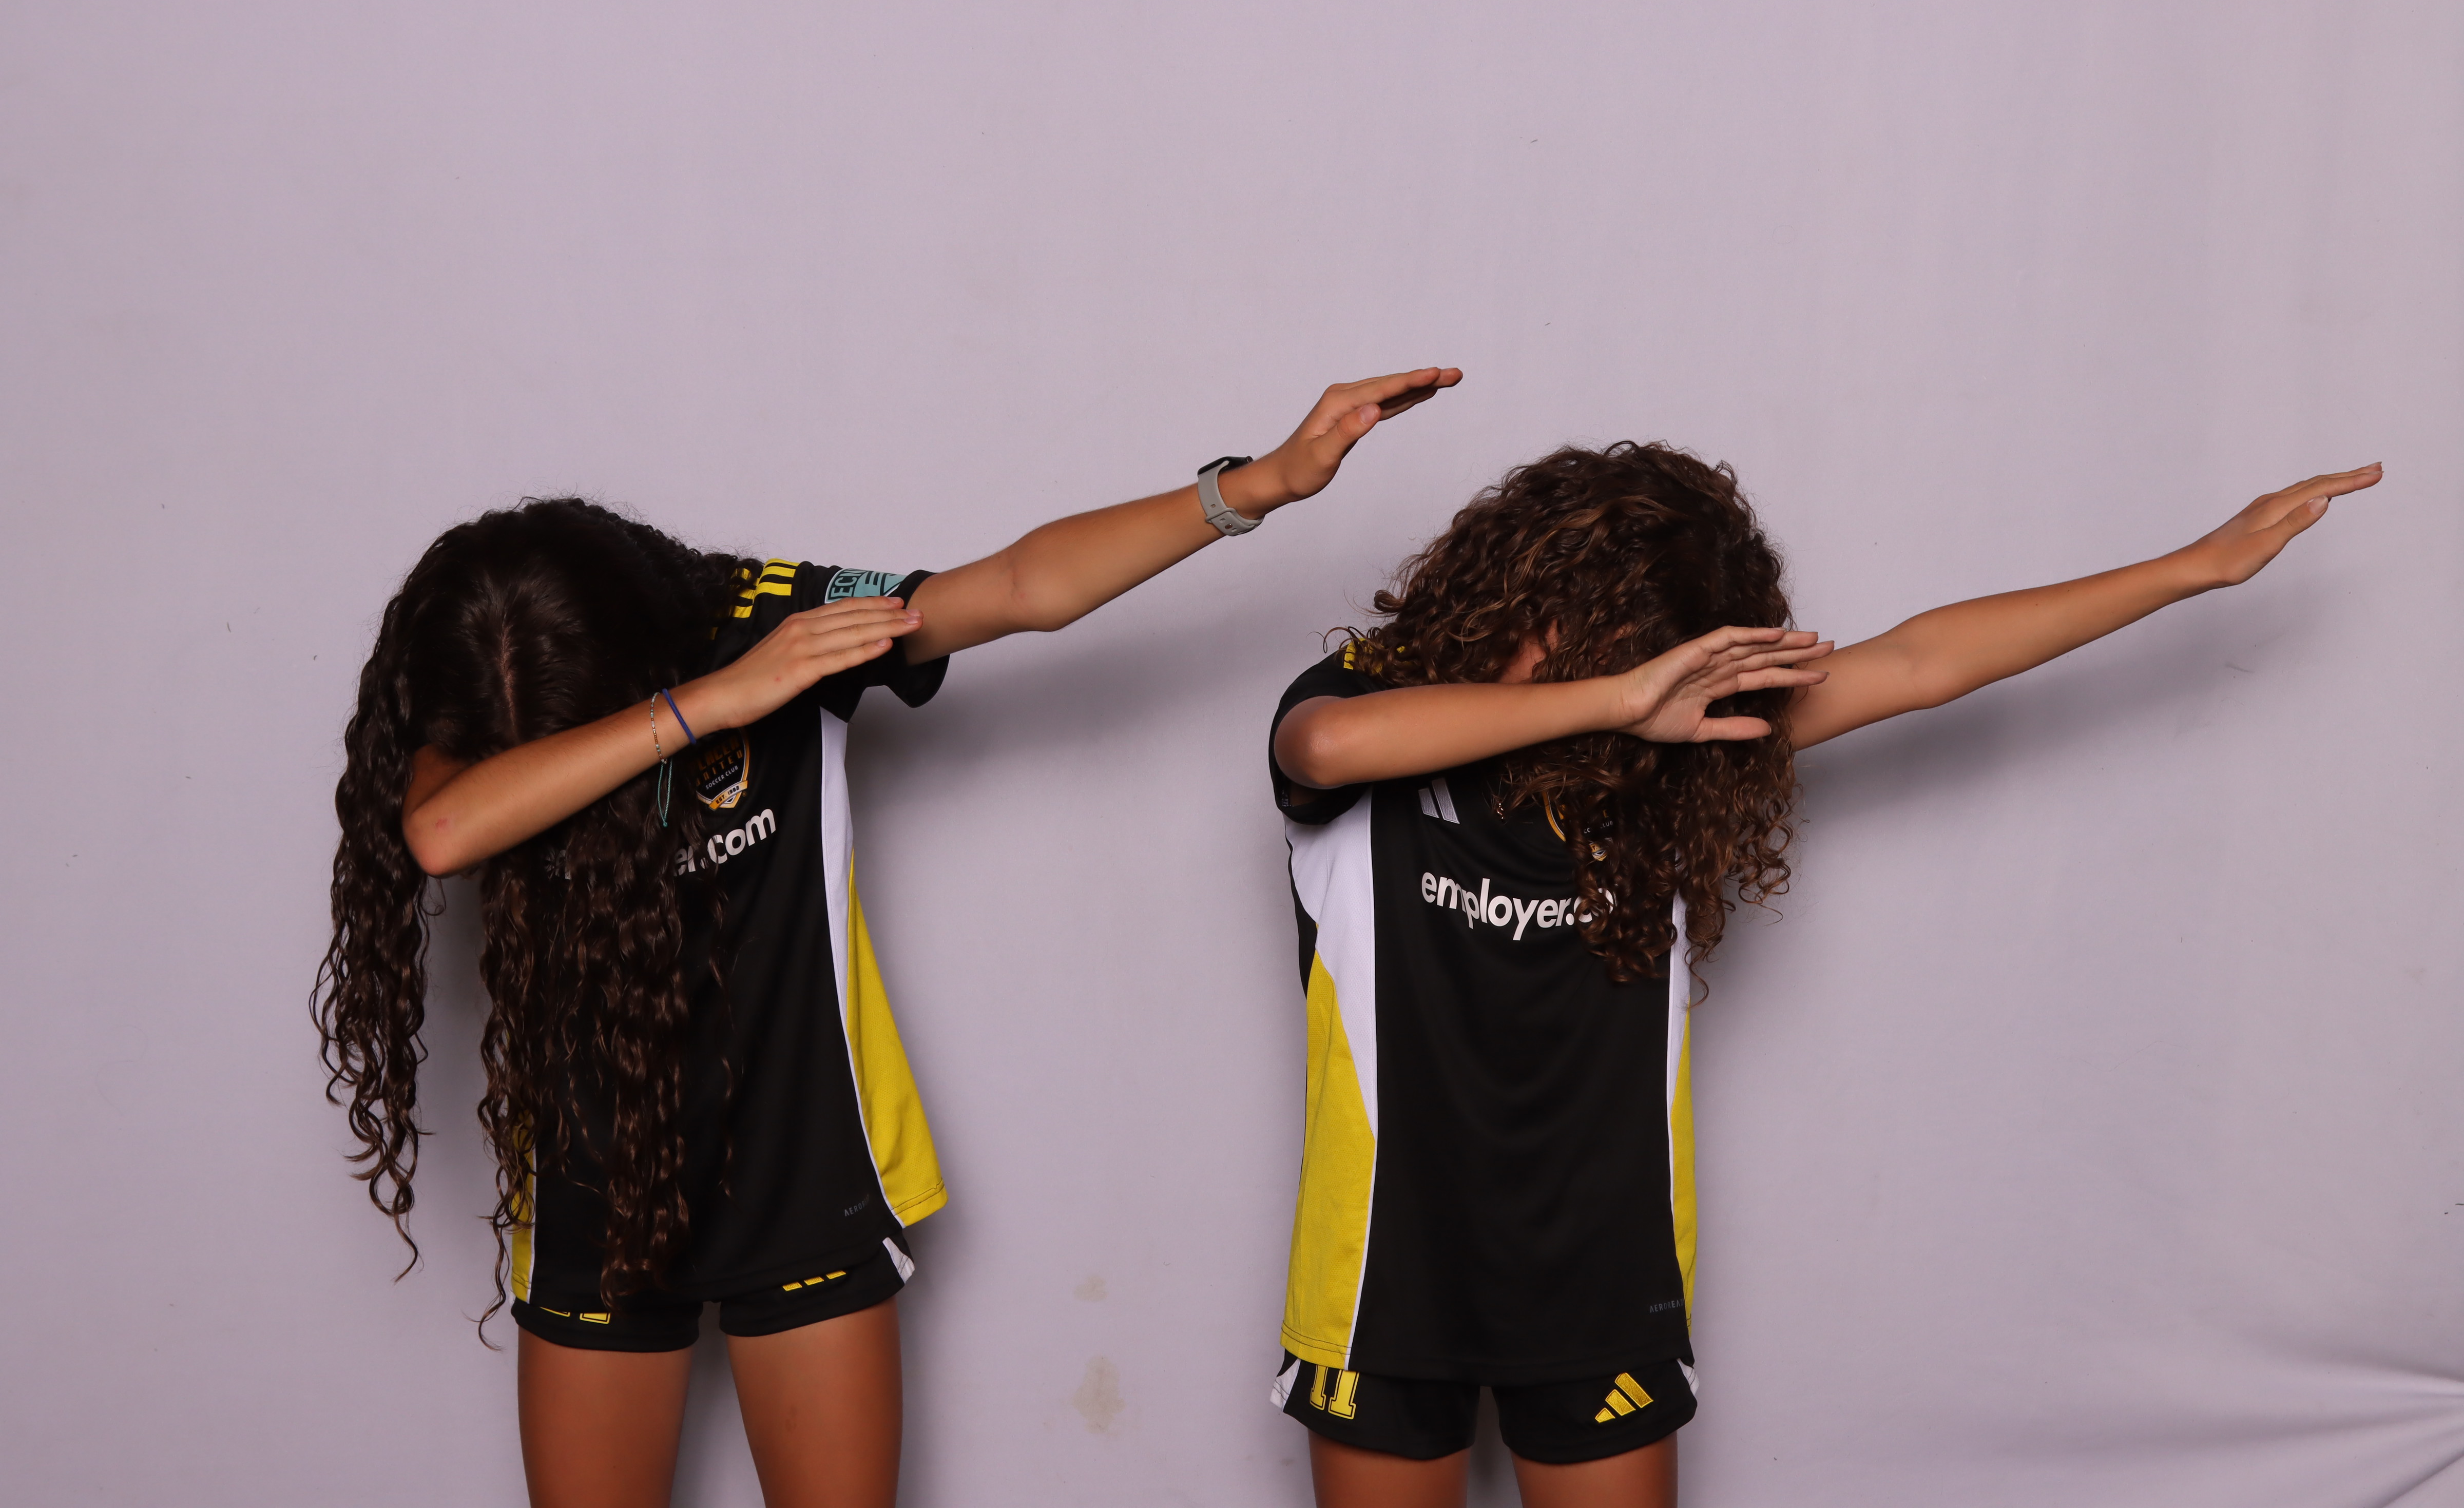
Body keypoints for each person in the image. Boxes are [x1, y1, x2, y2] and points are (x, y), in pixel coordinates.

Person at [314, 367, 1461, 1508]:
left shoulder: (769, 619)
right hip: (592, 1178)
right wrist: (711, 707)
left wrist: (1258, 484)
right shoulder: (517, 693)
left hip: (803, 1165)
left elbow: (1019, 586)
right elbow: (440, 833)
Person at [1264, 441, 2379, 1508]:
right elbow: (1321, 748)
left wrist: (2194, 566)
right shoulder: (1372, 700)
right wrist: (1622, 698)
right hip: (1381, 1265)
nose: (1592, 670)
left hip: (1601, 1264)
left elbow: (1921, 663)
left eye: (1625, 655)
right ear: (1516, 586)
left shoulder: (1676, 749)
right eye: (1584, 640)